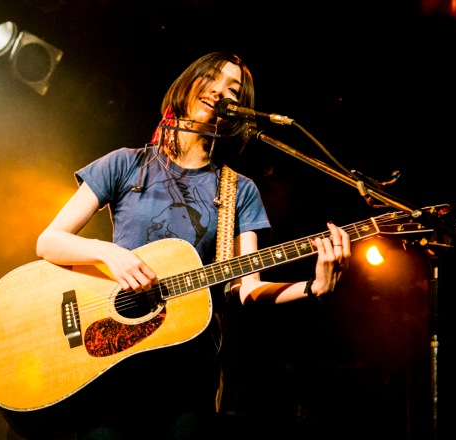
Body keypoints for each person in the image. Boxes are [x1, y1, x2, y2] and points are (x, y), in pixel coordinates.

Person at [33, 51, 351, 439]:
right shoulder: (127, 164)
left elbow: (246, 289)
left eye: (233, 90)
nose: (219, 91)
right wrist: (108, 252)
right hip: (111, 365)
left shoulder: (239, 191)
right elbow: (49, 241)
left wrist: (313, 287)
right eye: (212, 78)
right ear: (188, 83)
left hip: (185, 375)